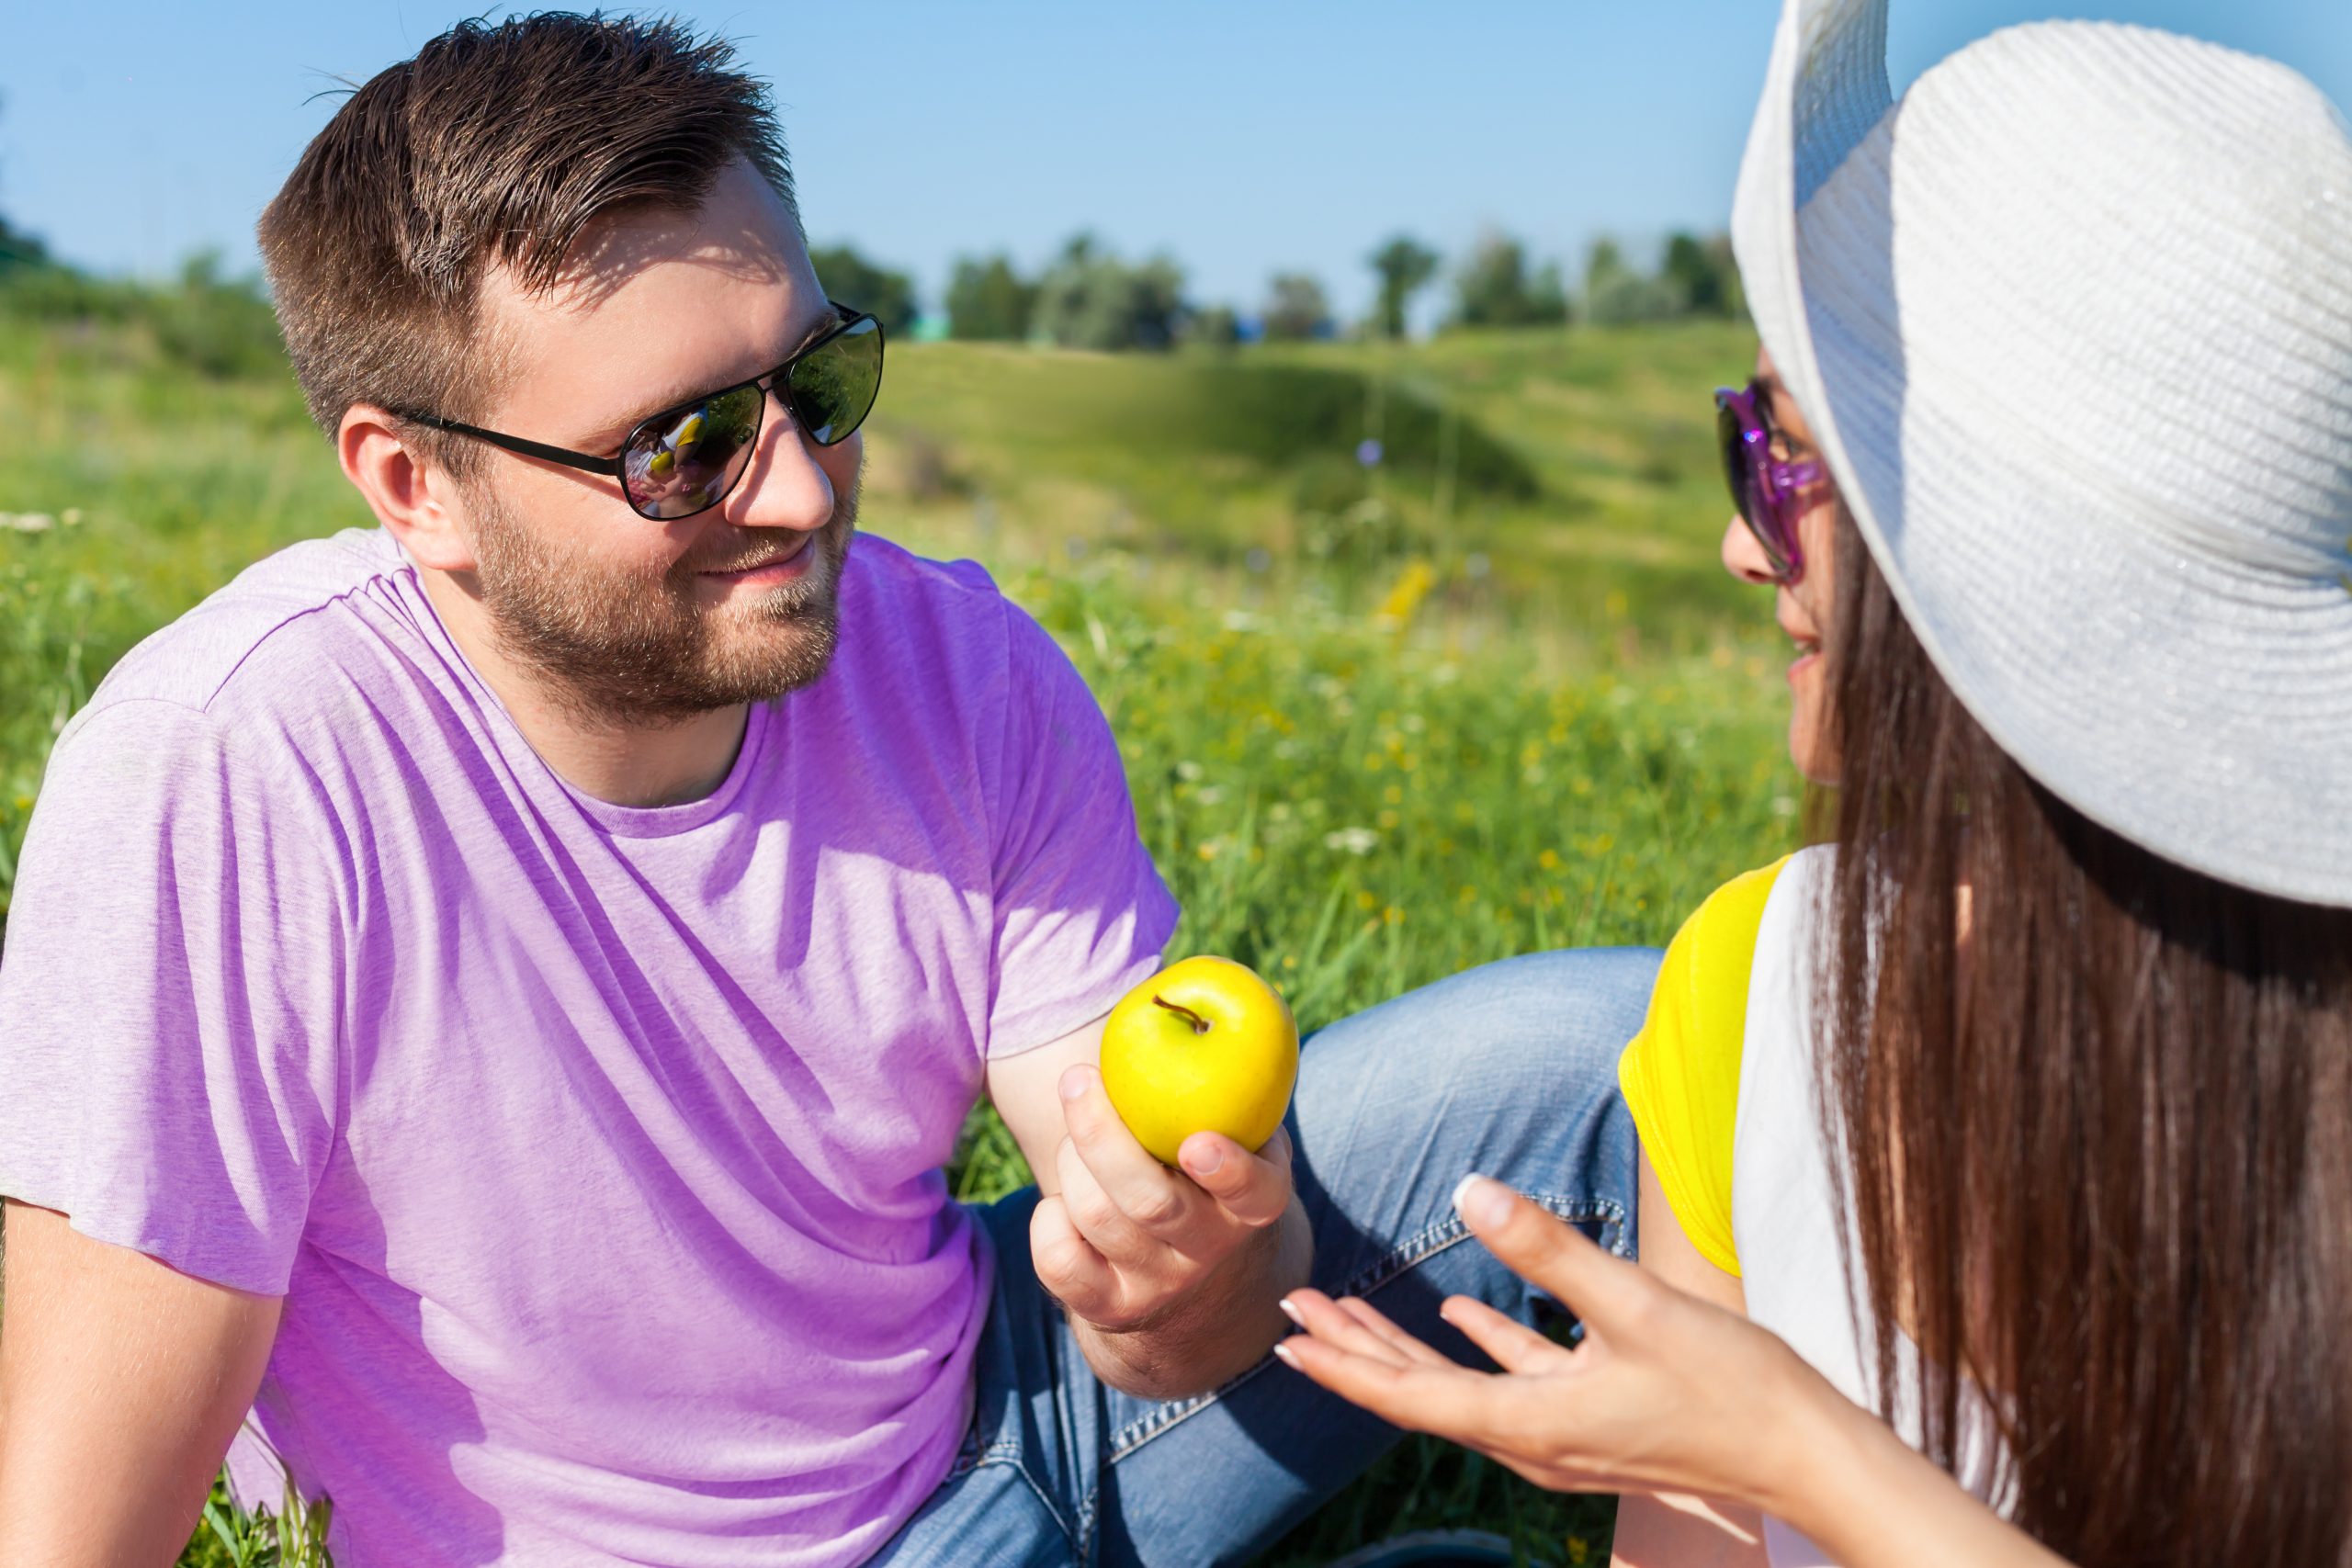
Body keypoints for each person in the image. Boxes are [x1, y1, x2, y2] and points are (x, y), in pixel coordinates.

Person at [0, 16, 1659, 1568]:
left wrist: (1184, 1280)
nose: (798, 488)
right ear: (416, 483)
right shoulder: (240, 772)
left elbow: (1181, 1299)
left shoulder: (962, 669)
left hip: (1004, 1398)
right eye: (685, 445)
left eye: (820, 380)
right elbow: (78, 1513)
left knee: (1629, 1046)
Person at [1276, 2, 2352, 1565]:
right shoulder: (1752, 985)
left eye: (1782, 468)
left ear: (1990, 569)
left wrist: (1793, 1447)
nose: (1736, 543)